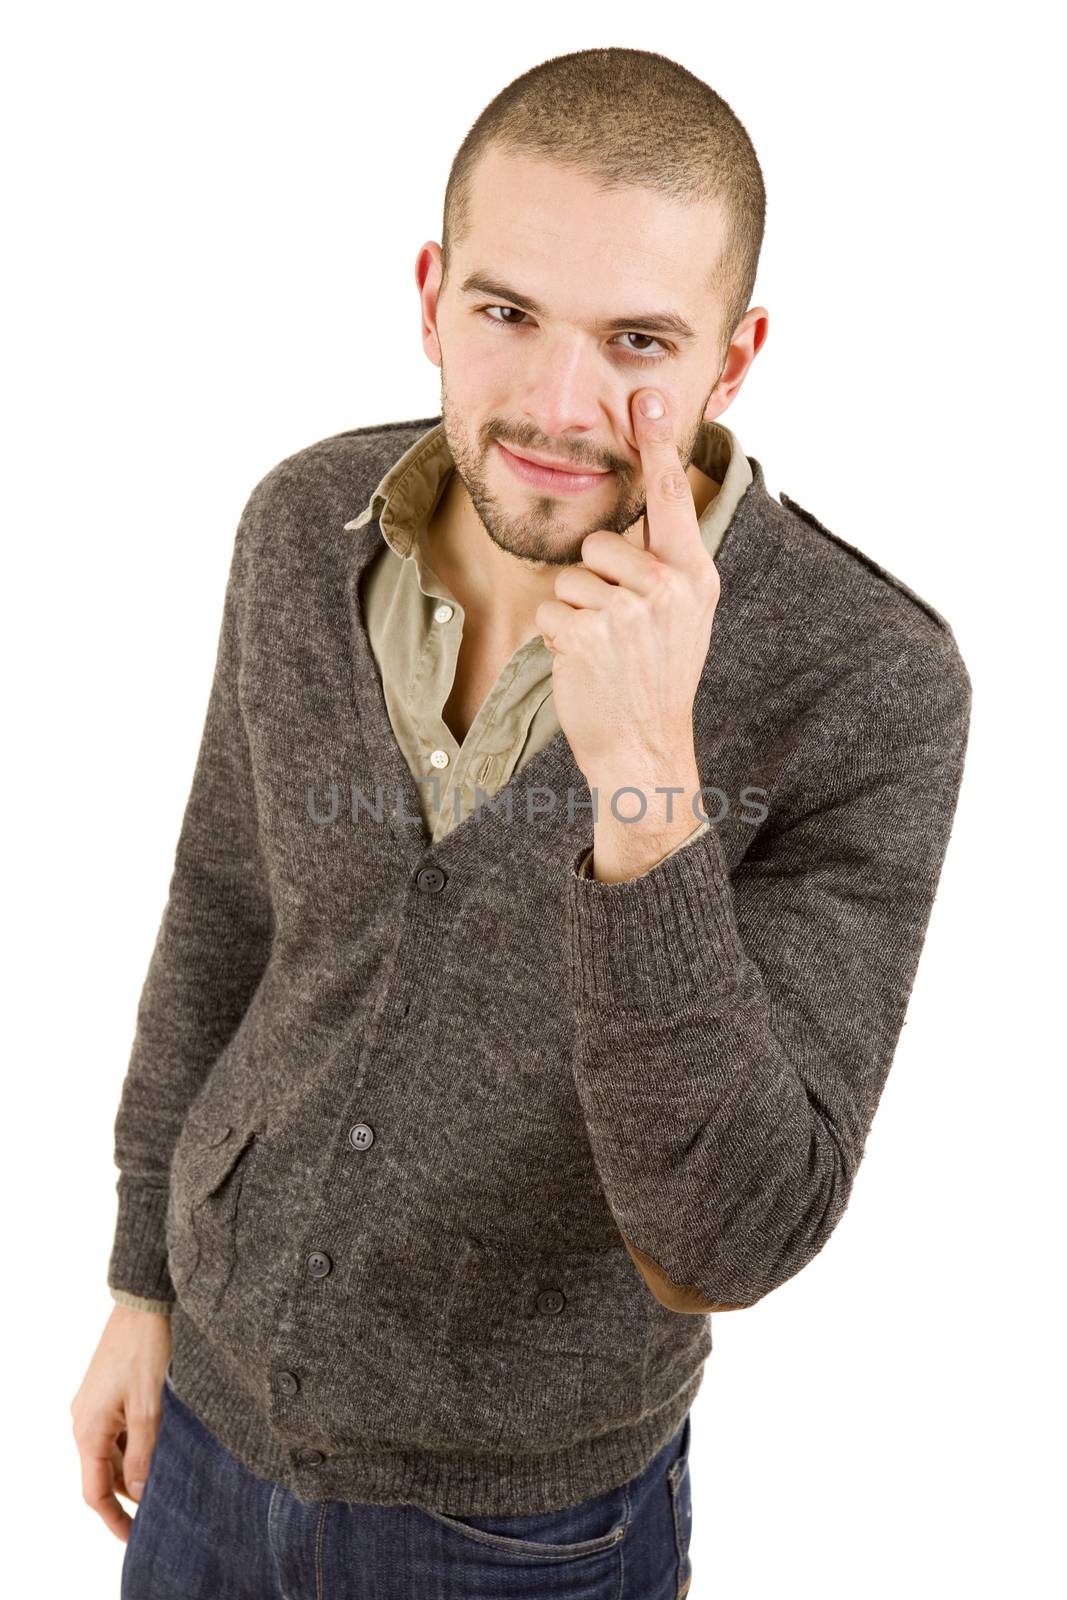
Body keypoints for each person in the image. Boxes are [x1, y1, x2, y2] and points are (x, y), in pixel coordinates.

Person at [71, 46, 971, 1599]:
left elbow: (738, 1232)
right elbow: (227, 911)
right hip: (208, 1438)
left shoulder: (868, 683)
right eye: (506, 313)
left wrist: (645, 784)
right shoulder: (303, 530)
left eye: (636, 339)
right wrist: (141, 1279)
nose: (558, 406)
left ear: (732, 361)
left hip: (525, 1532)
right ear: (430, 292)